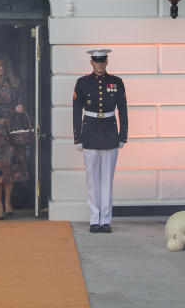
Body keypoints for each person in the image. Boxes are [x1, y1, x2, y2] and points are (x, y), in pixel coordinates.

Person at [73, 49, 128, 234]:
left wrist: (123, 135)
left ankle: (105, 220)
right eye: (97, 62)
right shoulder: (82, 83)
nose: (100, 65)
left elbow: (123, 109)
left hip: (110, 134)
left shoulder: (117, 83)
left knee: (107, 181)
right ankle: (94, 219)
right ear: (91, 62)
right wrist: (77, 136)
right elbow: (76, 112)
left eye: (103, 62)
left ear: (106, 62)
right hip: (89, 134)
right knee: (92, 181)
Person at [0, 55, 29, 220]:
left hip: (10, 128)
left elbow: (21, 102)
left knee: (9, 167)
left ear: (5, 67)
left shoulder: (15, 84)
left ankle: (8, 201)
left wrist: (19, 106)